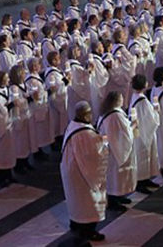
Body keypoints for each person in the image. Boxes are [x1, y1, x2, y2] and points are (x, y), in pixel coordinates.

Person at [61, 101, 108, 242]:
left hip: (70, 168)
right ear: (85, 115)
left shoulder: (72, 125)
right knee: (88, 201)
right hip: (82, 173)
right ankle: (89, 231)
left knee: (76, 199)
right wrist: (104, 144)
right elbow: (93, 155)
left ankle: (76, 222)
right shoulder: (86, 133)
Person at [97, 90, 136, 212]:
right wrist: (134, 126)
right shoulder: (115, 115)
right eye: (121, 98)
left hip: (112, 148)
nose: (123, 100)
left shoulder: (107, 112)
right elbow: (124, 132)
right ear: (117, 101)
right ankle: (114, 199)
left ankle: (119, 195)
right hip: (115, 149)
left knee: (117, 175)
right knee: (115, 175)